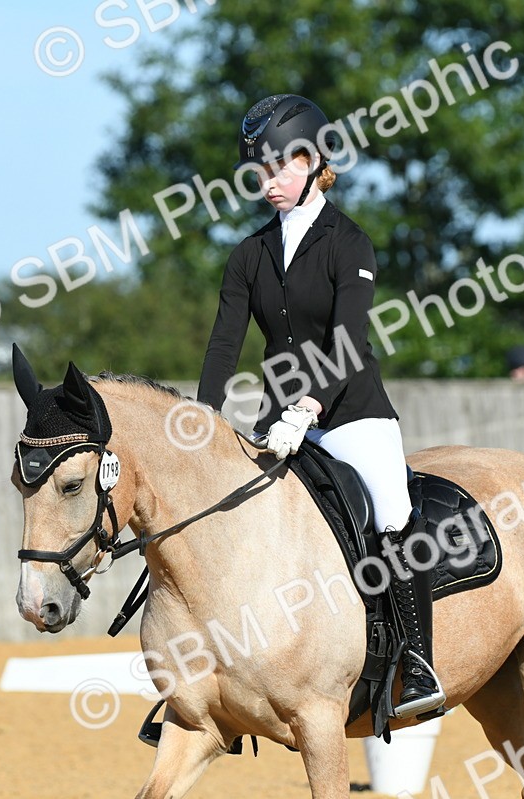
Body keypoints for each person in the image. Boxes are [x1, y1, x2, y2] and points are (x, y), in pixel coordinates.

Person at [196, 94, 444, 719]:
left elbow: (349, 339)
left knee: (391, 510)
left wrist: (308, 408)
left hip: (351, 411)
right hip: (279, 421)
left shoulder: (349, 243)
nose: (268, 182)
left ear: (314, 162)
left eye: (280, 167)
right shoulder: (248, 254)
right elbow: (225, 343)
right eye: (260, 170)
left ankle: (417, 661)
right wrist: (204, 416)